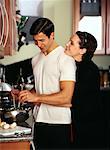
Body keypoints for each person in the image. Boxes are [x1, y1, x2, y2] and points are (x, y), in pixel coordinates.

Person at [19, 17, 76, 149]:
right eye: (35, 41)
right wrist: (26, 94)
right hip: (38, 120)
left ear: (52, 35)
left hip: (59, 123)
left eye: (42, 40)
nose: (39, 44)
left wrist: (37, 97)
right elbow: (42, 89)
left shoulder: (65, 58)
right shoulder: (35, 59)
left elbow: (66, 96)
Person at [65, 31, 105, 148]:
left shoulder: (89, 71)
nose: (67, 44)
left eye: (71, 43)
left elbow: (70, 97)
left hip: (88, 127)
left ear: (82, 50)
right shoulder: (72, 64)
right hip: (79, 122)